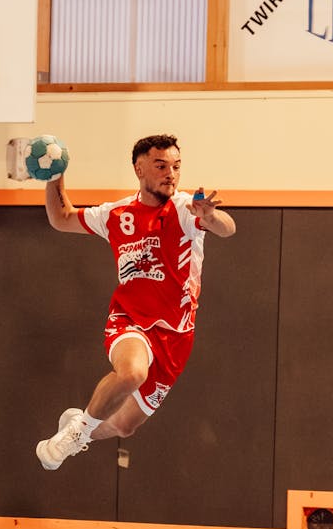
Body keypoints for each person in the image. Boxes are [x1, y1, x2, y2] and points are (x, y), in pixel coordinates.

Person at [36, 134, 236, 470]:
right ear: (139, 168)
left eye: (176, 166)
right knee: (131, 374)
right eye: (160, 165)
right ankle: (80, 430)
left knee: (124, 425)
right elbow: (61, 217)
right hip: (130, 320)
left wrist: (211, 216)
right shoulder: (117, 214)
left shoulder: (187, 211)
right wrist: (54, 175)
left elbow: (227, 228)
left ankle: (76, 430)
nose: (170, 173)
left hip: (176, 334)